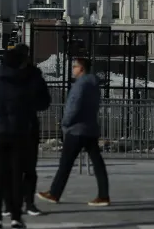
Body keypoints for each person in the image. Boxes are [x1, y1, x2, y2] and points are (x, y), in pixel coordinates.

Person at [0, 47, 51, 229]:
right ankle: (17, 217)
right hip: (20, 132)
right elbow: (43, 102)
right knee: (18, 174)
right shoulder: (27, 80)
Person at [38, 58, 109, 207]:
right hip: (90, 128)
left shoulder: (80, 85)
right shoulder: (94, 85)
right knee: (97, 163)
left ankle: (54, 193)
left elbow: (73, 106)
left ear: (81, 68)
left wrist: (65, 122)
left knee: (65, 163)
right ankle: (103, 195)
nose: (73, 69)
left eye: (75, 66)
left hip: (76, 130)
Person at [5, 44, 48, 217]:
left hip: (28, 126)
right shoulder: (7, 75)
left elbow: (45, 100)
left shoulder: (35, 76)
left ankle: (28, 203)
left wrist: (30, 103)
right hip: (12, 127)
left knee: (28, 169)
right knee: (13, 169)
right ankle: (11, 204)